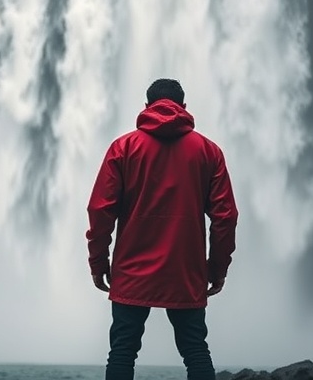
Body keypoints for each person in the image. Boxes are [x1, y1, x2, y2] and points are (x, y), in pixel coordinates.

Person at [86, 78, 239, 380]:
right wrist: (217, 268)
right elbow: (226, 217)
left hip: (132, 269)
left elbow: (100, 210)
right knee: (195, 349)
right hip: (185, 269)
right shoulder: (209, 152)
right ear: (183, 107)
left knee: (122, 351)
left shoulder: (123, 148)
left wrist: (98, 262)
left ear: (146, 107)